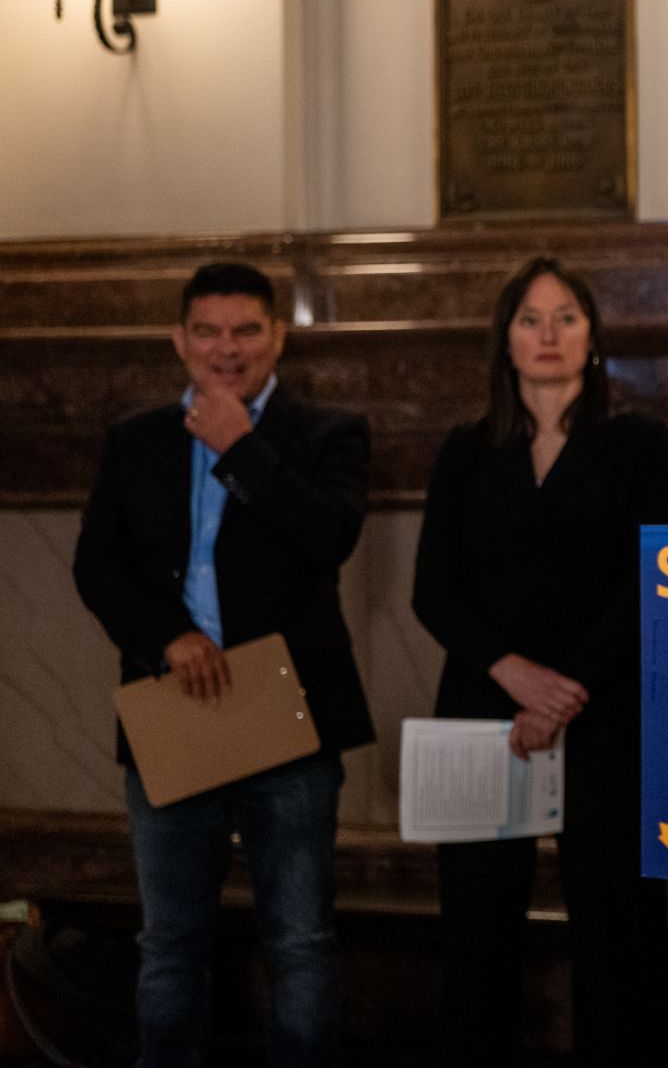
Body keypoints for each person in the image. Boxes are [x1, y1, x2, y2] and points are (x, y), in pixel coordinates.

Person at [73, 261, 372, 1068]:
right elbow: (98, 568)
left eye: (245, 331)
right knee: (170, 944)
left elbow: (328, 536)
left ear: (278, 337)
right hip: (174, 710)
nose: (226, 348)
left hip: (291, 720)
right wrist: (167, 636)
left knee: (301, 941)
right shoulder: (136, 441)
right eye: (207, 332)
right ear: (180, 341)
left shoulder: (328, 433)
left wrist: (242, 447)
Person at [410, 255, 668, 1068]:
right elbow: (432, 591)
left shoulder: (636, 444)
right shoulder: (465, 450)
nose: (549, 334)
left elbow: (648, 581)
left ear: (593, 336)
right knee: (476, 931)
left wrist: (565, 691)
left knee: (617, 930)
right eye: (530, 319)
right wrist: (515, 675)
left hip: (605, 715)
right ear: (506, 340)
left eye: (566, 317)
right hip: (485, 710)